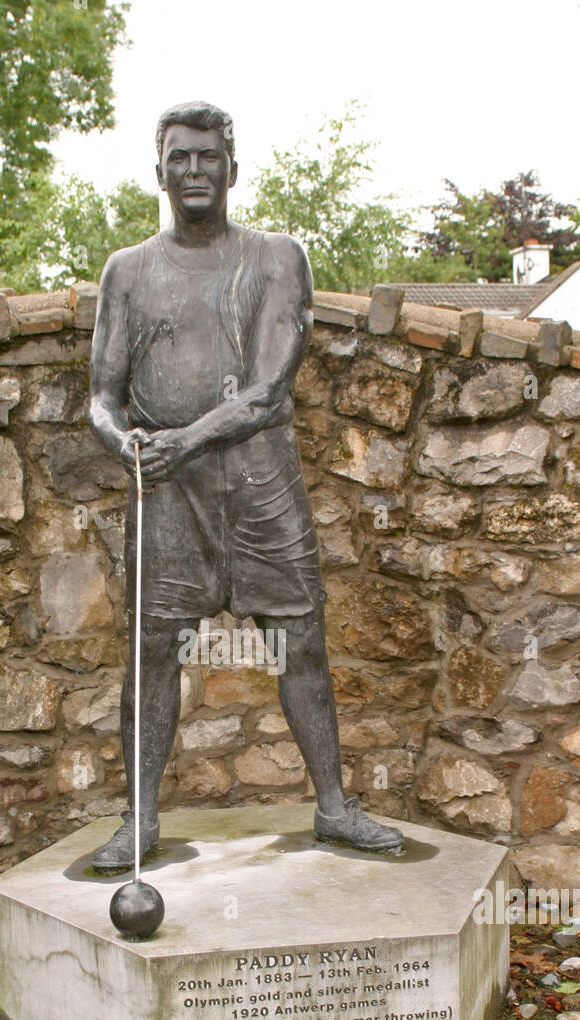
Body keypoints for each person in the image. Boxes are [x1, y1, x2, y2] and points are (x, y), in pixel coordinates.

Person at [88, 100, 404, 871]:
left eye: (207, 158)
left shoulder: (275, 258)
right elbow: (99, 394)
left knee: (300, 640)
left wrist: (182, 441)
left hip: (259, 481)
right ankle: (141, 822)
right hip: (165, 494)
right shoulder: (127, 272)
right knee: (155, 649)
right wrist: (123, 440)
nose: (193, 171)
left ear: (231, 167)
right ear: (158, 169)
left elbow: (267, 390)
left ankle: (333, 805)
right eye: (179, 158)